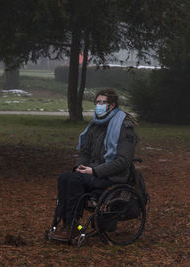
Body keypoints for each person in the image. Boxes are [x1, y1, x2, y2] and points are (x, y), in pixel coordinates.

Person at [48, 88, 137, 241]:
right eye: (97, 102)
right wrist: (80, 167)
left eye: (104, 102)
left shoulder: (124, 126)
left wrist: (95, 171)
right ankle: (64, 222)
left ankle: (73, 225)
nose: (99, 105)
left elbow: (123, 161)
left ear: (112, 105)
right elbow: (85, 153)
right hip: (92, 172)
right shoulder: (95, 125)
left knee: (75, 180)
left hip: (113, 176)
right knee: (65, 177)